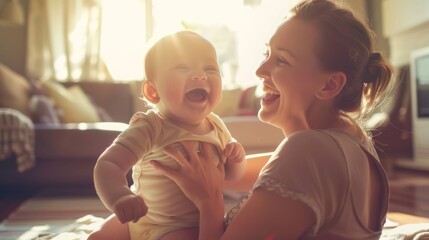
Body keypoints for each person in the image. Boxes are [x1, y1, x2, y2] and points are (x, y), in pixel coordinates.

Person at [150, 0, 393, 239]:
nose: (260, 70)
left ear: (329, 84)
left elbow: (215, 183)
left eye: (281, 60)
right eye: (267, 53)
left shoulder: (310, 150)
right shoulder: (354, 141)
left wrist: (208, 200)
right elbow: (225, 171)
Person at [88, 30, 246, 240]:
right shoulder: (150, 127)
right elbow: (109, 164)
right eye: (183, 67)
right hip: (139, 219)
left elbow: (232, 176)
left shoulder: (216, 126)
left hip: (186, 227)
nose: (201, 75)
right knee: (97, 237)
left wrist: (237, 158)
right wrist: (120, 196)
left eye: (210, 68)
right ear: (153, 92)